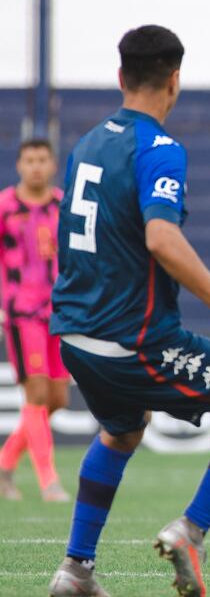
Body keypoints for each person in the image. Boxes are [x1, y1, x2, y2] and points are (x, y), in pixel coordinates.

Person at [46, 25, 210, 597]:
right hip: (134, 339)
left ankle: (76, 570)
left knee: (123, 430)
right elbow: (162, 238)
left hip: (74, 335)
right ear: (175, 81)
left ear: (120, 77)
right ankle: (191, 532)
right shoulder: (158, 148)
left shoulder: (87, 145)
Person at [0, 139, 71, 503]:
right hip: (20, 310)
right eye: (30, 160)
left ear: (53, 164)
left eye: (43, 159)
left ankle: (5, 461)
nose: (36, 167)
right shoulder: (5, 206)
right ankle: (49, 481)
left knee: (57, 397)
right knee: (37, 392)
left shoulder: (64, 205)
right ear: (19, 165)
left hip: (59, 311)